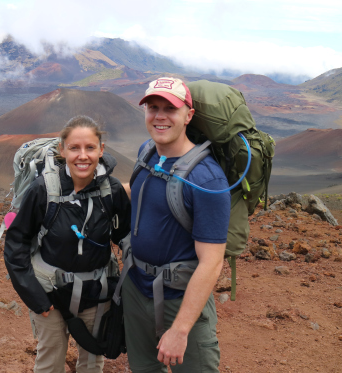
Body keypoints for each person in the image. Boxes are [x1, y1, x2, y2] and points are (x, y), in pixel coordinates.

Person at [4, 115, 131, 373]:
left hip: (98, 294)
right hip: (50, 294)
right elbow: (16, 244)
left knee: (93, 362)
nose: (82, 156)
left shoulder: (112, 190)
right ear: (62, 150)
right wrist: (36, 299)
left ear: (101, 150)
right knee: (50, 363)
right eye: (74, 148)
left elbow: (126, 234)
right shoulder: (43, 190)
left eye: (90, 148)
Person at [122, 77, 231, 372]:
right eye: (152, 107)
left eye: (170, 108)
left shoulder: (207, 180)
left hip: (179, 299)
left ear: (188, 115)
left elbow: (212, 262)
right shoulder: (148, 152)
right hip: (135, 287)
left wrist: (181, 330)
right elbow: (140, 191)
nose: (159, 116)